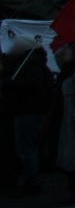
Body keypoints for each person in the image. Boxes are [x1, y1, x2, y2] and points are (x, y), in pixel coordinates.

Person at [2, 41, 53, 196]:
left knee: (26, 148)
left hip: (27, 112)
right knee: (26, 148)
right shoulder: (31, 64)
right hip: (27, 112)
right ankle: (29, 179)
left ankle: (31, 182)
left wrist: (10, 85)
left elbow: (32, 87)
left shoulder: (31, 66)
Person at [55, 44, 75, 204]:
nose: (65, 55)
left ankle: (74, 191)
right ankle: (70, 188)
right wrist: (68, 43)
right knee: (67, 151)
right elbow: (57, 56)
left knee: (72, 152)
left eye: (69, 53)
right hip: (66, 112)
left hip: (72, 114)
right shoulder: (66, 70)